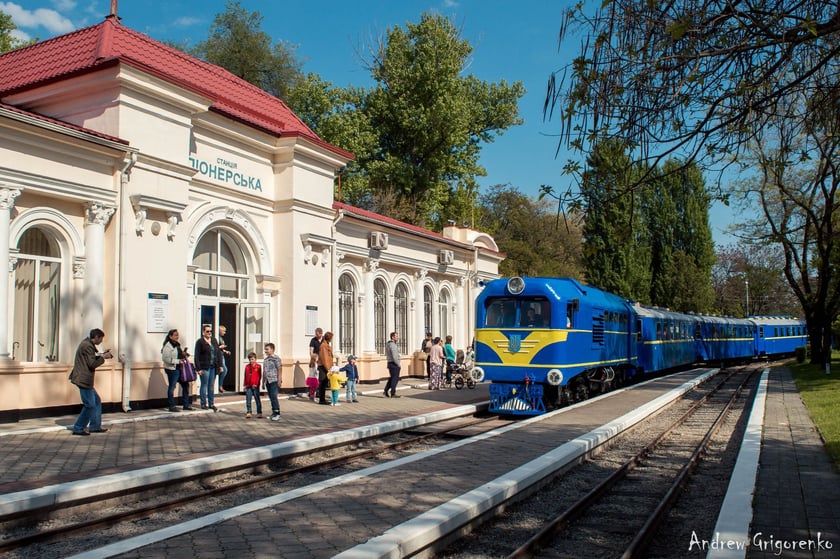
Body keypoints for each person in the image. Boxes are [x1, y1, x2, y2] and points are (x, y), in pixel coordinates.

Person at [69, 328, 113, 435]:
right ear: (96, 337)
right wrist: (103, 357)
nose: (101, 341)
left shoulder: (87, 344)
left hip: (85, 379)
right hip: (83, 379)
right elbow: (92, 364)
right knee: (90, 405)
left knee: (96, 401)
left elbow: (90, 359)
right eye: (101, 339)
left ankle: (95, 426)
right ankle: (78, 428)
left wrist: (101, 355)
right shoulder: (88, 346)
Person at [194, 324, 222, 411]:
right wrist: (198, 369)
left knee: (211, 386)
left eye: (210, 331)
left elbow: (218, 353)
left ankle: (211, 403)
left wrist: (220, 365)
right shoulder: (200, 342)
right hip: (204, 367)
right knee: (204, 385)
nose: (209, 333)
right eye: (207, 331)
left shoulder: (214, 340)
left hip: (213, 366)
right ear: (203, 332)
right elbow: (196, 356)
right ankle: (203, 403)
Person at [161, 329, 190, 412]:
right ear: (170, 336)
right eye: (175, 335)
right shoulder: (168, 346)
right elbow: (165, 359)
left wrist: (184, 354)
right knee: (172, 386)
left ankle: (186, 405)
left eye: (178, 335)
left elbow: (179, 354)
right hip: (172, 369)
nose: (177, 337)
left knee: (185, 385)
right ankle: (171, 406)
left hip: (180, 368)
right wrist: (178, 361)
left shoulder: (177, 345)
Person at [262, 343, 282, 420]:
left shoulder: (276, 359)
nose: (266, 351)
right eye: (265, 349)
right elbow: (264, 371)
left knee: (274, 396)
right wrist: (263, 382)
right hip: (268, 381)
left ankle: (277, 413)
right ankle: (273, 412)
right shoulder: (266, 360)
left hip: (274, 380)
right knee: (271, 397)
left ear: (272, 349)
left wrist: (279, 380)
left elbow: (279, 369)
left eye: (267, 349)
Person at [243, 351, 263, 418]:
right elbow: (245, 376)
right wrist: (245, 385)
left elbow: (259, 376)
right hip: (248, 386)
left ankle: (259, 412)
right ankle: (249, 412)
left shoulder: (258, 366)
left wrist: (256, 384)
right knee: (248, 399)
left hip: (255, 386)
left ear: (255, 359)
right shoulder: (247, 367)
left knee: (257, 399)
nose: (251, 361)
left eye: (252, 359)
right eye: (250, 359)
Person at [317, 331, 335, 405]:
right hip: (323, 367)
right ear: (329, 338)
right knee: (322, 383)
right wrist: (328, 369)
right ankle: (321, 400)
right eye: (331, 338)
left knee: (324, 383)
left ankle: (323, 399)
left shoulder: (326, 345)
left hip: (326, 367)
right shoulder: (323, 346)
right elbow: (325, 359)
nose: (332, 339)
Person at [384, 331, 401, 398]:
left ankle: (386, 390)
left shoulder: (388, 344)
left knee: (392, 378)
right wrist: (398, 364)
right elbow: (394, 356)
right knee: (395, 379)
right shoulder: (393, 345)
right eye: (396, 336)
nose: (397, 337)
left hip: (390, 363)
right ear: (392, 337)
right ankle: (393, 393)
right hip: (394, 364)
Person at [217, 324, 231, 393]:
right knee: (224, 370)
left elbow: (221, 348)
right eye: (223, 331)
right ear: (220, 331)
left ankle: (220, 385)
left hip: (222, 355)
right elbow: (216, 347)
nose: (224, 333)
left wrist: (225, 351)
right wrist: (221, 347)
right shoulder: (217, 338)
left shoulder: (221, 338)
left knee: (223, 370)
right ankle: (220, 385)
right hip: (219, 356)